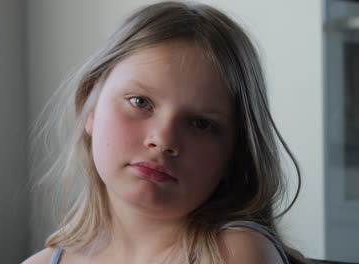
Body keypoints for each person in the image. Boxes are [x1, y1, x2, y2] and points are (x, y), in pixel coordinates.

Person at [23, 1, 311, 264]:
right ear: (91, 107)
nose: (163, 140)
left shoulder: (234, 254)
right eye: (140, 102)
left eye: (200, 123)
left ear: (235, 150)